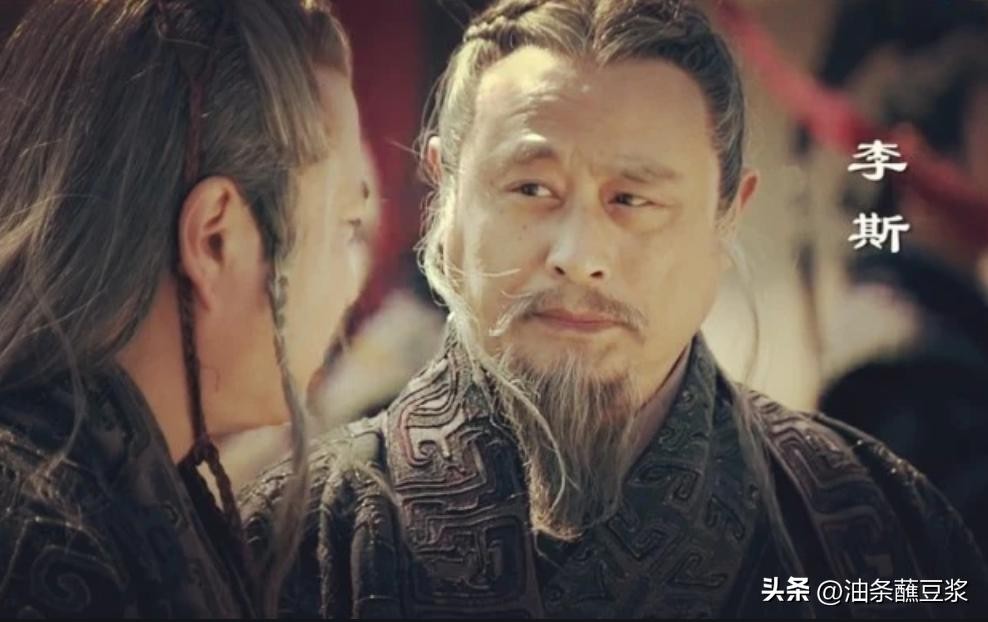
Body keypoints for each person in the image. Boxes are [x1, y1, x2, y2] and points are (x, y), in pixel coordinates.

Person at [242, 0, 988, 617]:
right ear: (444, 193)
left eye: (632, 199)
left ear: (727, 215)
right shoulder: (290, 541)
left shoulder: (875, 522)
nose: (578, 253)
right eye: (531, 189)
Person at [0, 0, 369, 616]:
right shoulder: (39, 545)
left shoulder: (100, 493)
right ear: (215, 240)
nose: (350, 288)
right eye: (345, 226)